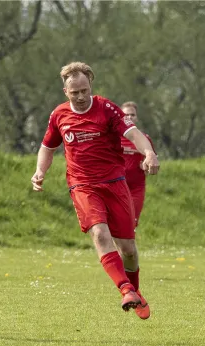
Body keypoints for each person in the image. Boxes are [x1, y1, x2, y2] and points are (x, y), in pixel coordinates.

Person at [30, 62, 159, 319]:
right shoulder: (59, 115)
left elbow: (133, 134)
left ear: (91, 85)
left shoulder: (107, 108)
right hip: (82, 184)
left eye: (84, 90)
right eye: (74, 92)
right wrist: (40, 171)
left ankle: (134, 289)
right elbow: (48, 146)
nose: (79, 97)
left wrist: (149, 152)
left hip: (115, 183)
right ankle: (125, 290)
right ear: (65, 90)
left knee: (129, 250)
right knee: (100, 234)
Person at [120, 101, 155, 227]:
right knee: (115, 223)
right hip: (117, 186)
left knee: (131, 224)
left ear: (137, 117)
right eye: (126, 115)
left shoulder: (145, 139)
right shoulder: (114, 137)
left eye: (132, 115)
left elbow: (152, 164)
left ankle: (127, 247)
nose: (129, 118)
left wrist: (146, 166)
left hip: (136, 188)